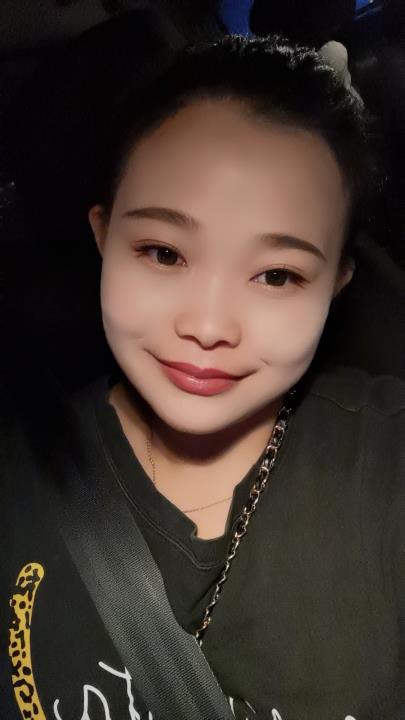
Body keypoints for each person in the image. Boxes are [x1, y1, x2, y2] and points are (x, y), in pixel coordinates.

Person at [1, 33, 405, 720]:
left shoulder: (384, 466)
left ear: (336, 283)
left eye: (276, 275)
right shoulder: (18, 480)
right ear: (103, 235)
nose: (209, 325)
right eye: (163, 252)